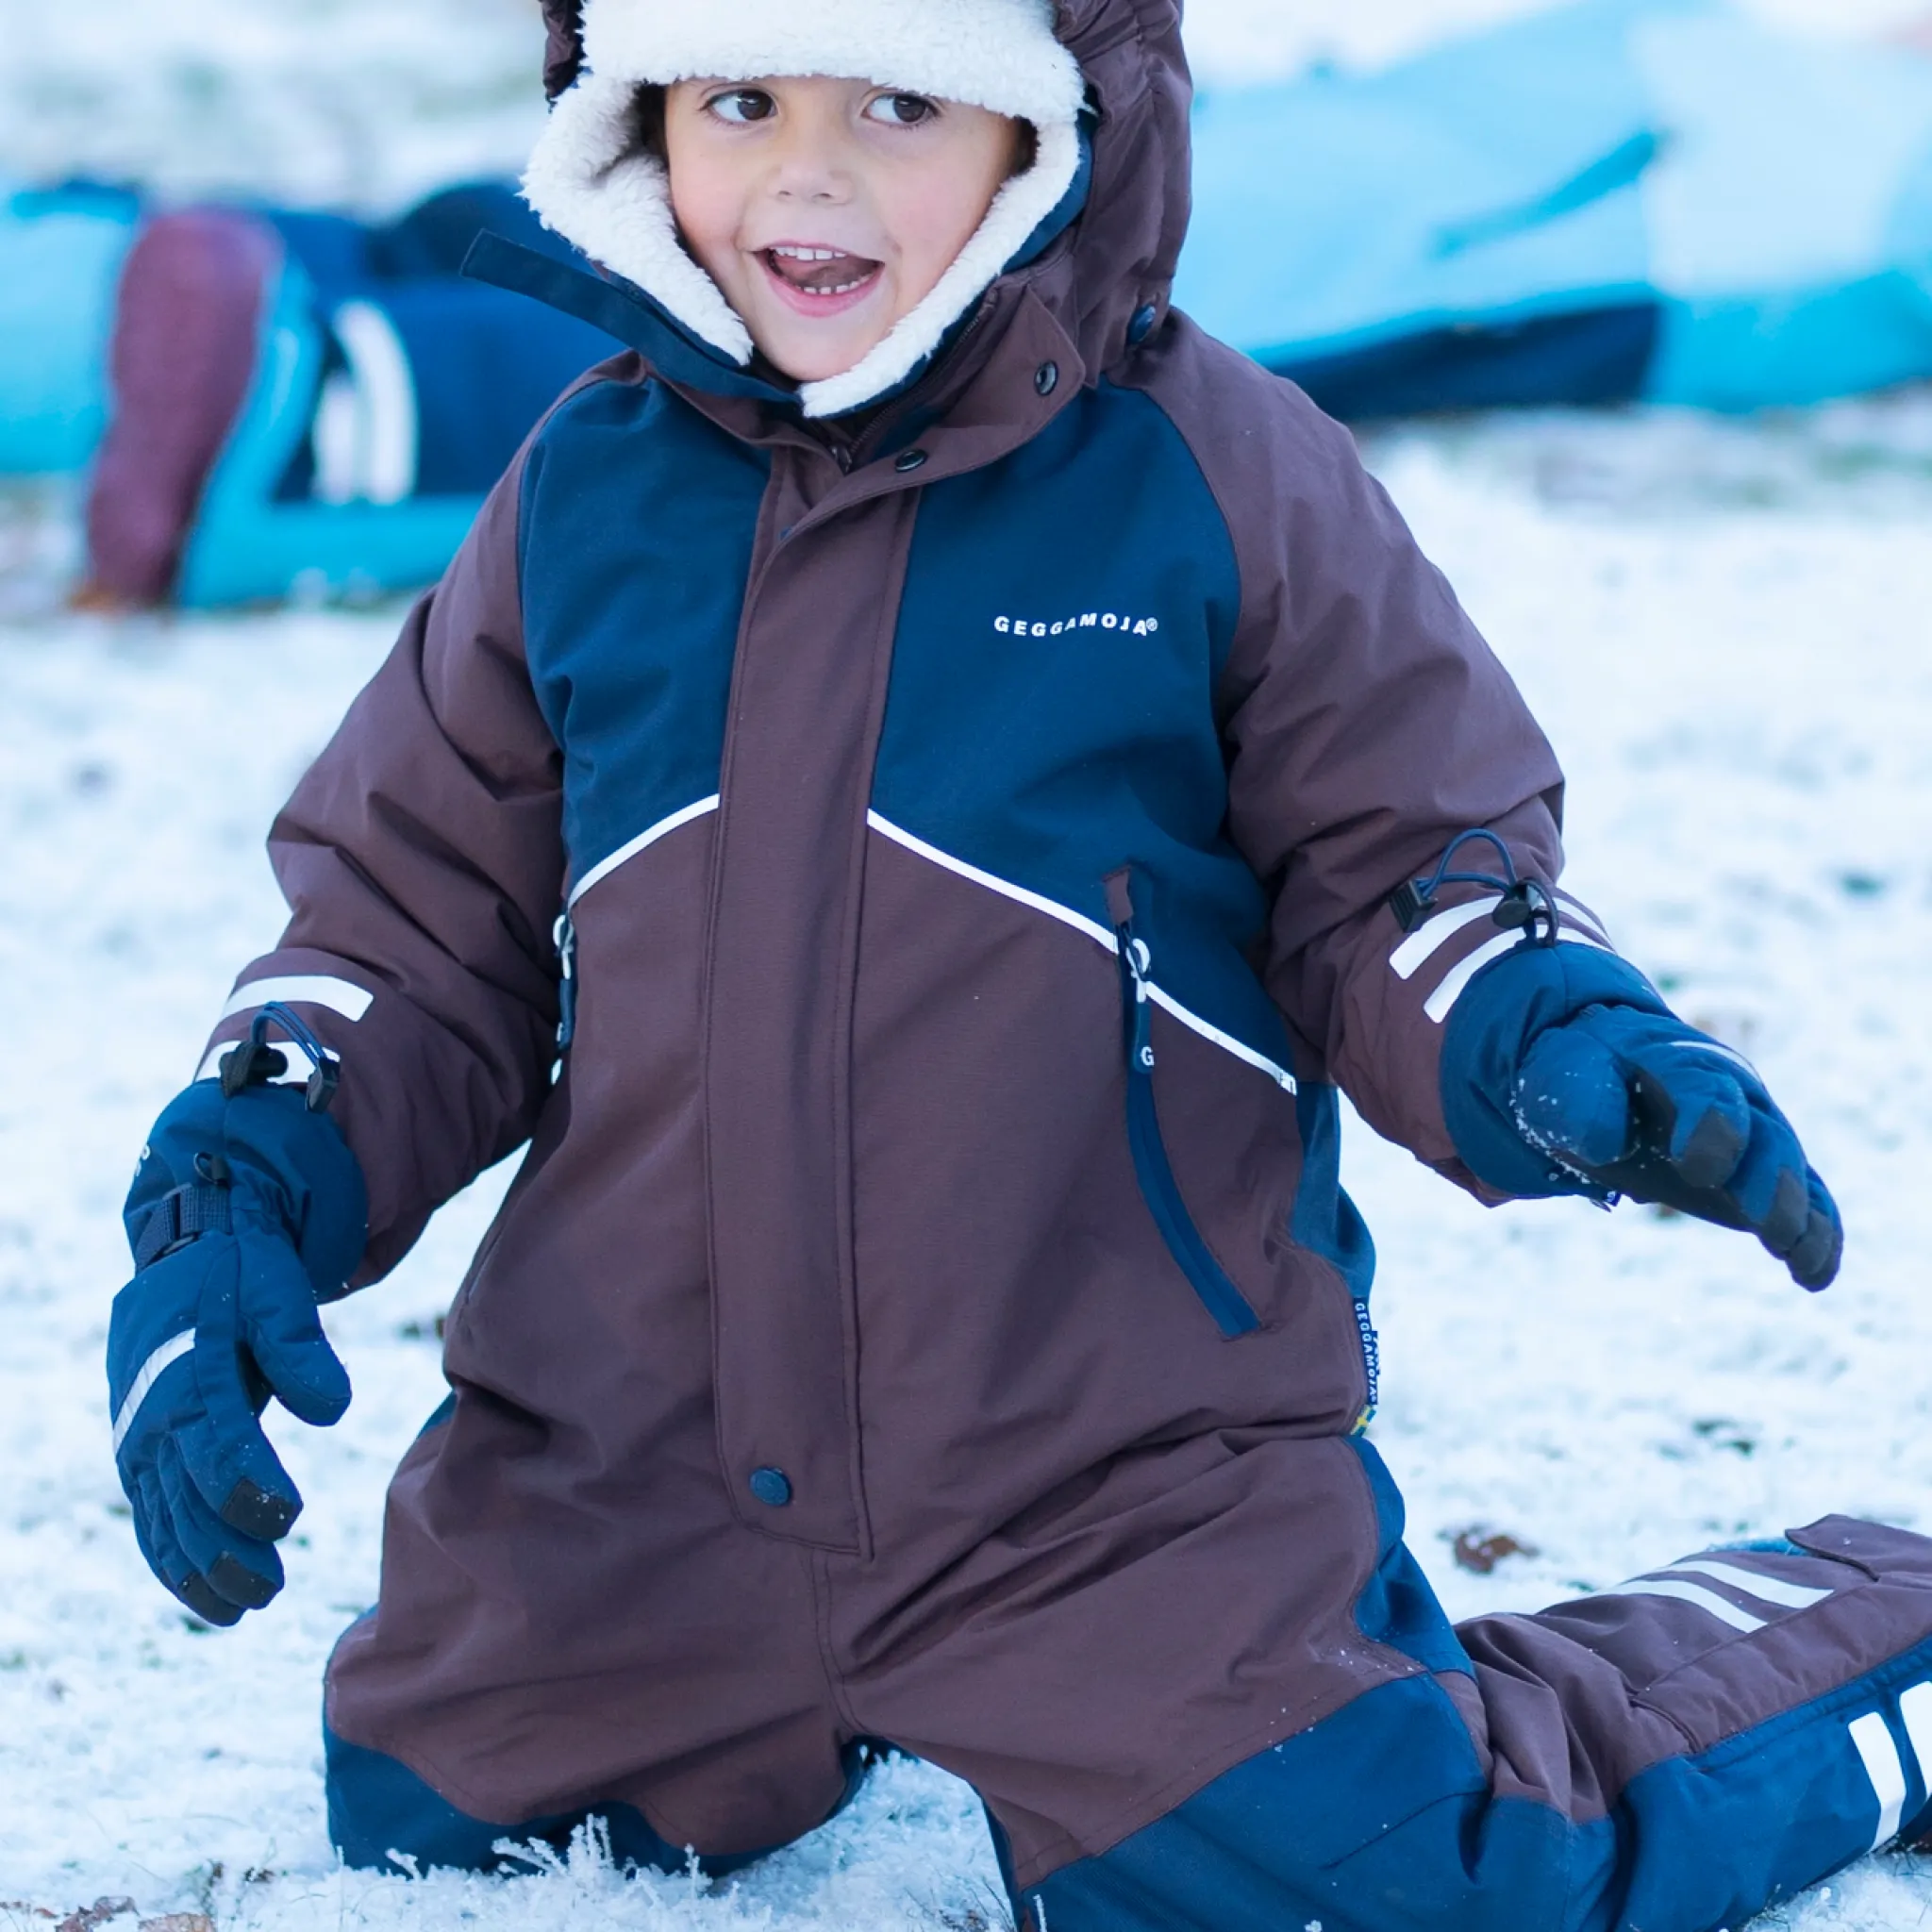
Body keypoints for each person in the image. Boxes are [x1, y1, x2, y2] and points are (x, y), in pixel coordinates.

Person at [102, 4, 1928, 1929]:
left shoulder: (1208, 477)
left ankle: (1868, 1625)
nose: (805, 173)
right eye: (739, 100)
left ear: (1052, 128)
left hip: (1103, 1484)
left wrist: (1537, 1019)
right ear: (630, 119)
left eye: (896, 100)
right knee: (426, 1816)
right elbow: (406, 927)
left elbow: (1399, 860)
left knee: (1416, 1876)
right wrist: (243, 1195)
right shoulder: (581, 498)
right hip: (637, 1461)